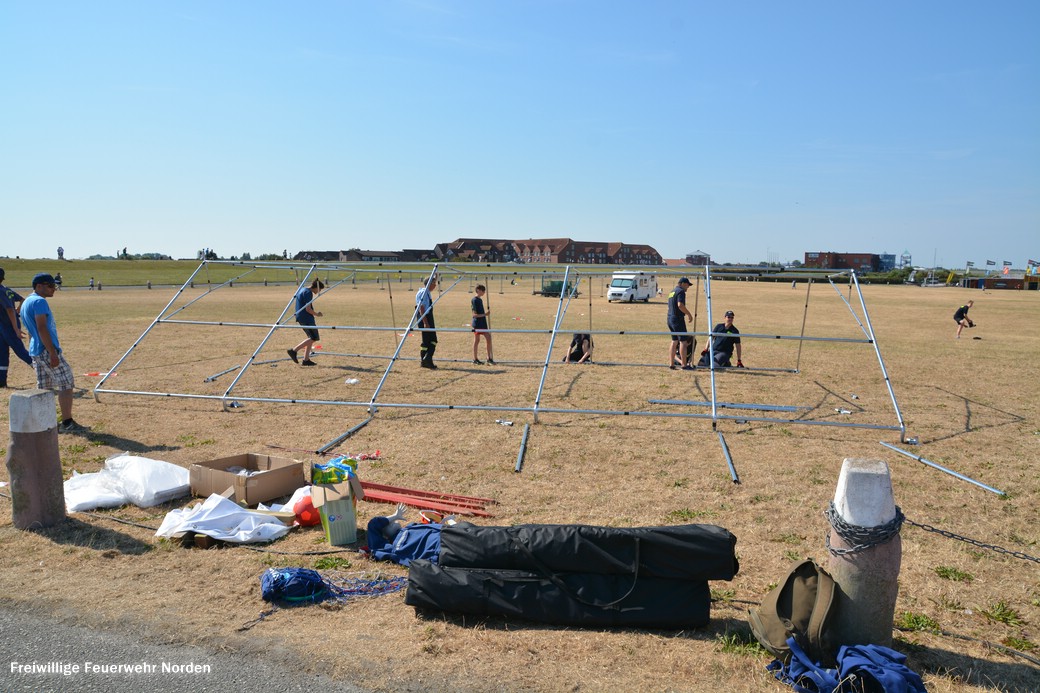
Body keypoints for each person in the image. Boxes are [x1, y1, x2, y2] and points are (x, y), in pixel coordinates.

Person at [20, 273, 84, 432]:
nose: (54, 288)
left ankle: (45, 423)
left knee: (44, 387)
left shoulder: (27, 301)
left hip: (36, 350)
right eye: (50, 285)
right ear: (38, 286)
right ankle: (67, 422)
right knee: (66, 383)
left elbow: (31, 330)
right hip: (46, 350)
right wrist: (52, 353)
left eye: (54, 285)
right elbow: (41, 327)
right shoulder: (39, 301)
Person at [0, 268, 33, 387]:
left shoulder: (1, 291)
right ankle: (1, 381)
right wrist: (18, 309)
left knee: (20, 352)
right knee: (2, 353)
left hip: (9, 327)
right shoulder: (6, 289)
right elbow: (22, 299)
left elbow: (9, 309)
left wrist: (16, 329)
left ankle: (43, 372)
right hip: (2, 328)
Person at [287, 279, 324, 366]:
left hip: (301, 317)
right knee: (314, 338)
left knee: (310, 338)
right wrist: (317, 314)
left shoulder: (302, 289)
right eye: (320, 289)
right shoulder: (308, 293)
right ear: (316, 287)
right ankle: (294, 350)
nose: (319, 291)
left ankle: (306, 360)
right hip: (306, 318)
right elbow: (308, 309)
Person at [667, 278, 695, 371]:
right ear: (682, 283)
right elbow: (680, 305)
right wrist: (689, 314)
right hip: (678, 318)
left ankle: (671, 364)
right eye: (687, 285)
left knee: (674, 340)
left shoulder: (672, 291)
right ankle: (684, 365)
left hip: (670, 318)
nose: (688, 287)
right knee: (683, 341)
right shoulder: (681, 292)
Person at [415, 275, 438, 369]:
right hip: (425, 318)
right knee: (432, 340)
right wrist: (425, 323)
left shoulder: (426, 292)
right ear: (429, 284)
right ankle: (427, 359)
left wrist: (436, 273)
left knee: (427, 341)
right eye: (434, 283)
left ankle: (425, 361)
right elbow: (422, 308)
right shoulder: (424, 292)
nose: (435, 285)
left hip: (427, 318)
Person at [470, 284, 495, 365]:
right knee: (478, 340)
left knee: (488, 338)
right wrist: (485, 314)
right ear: (478, 290)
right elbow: (474, 315)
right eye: (483, 290)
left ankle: (488, 358)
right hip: (478, 323)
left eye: (484, 290)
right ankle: (475, 359)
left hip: (483, 323)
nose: (484, 292)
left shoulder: (480, 300)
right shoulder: (474, 300)